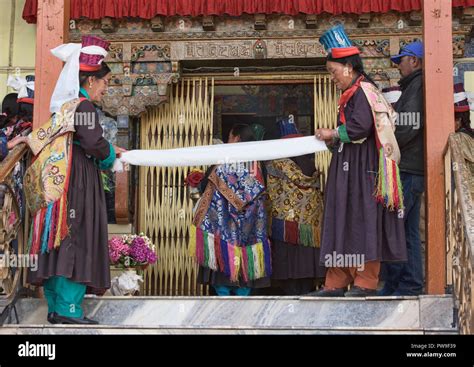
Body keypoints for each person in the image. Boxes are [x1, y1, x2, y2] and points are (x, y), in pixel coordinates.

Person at [26, 35, 126, 324]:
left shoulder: (65, 107)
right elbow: (94, 144)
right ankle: (71, 309)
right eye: (105, 83)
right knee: (76, 237)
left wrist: (105, 147)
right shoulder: (83, 108)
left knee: (59, 241)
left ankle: (57, 307)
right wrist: (111, 155)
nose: (105, 89)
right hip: (78, 182)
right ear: (91, 80)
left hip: (61, 184)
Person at [313, 25, 406, 297]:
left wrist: (332, 133)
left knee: (361, 221)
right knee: (343, 219)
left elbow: (360, 128)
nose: (332, 78)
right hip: (350, 167)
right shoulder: (355, 92)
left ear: (349, 67)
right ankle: (336, 282)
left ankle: (365, 282)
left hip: (363, 170)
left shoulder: (363, 90)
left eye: (333, 72)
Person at [191, 124, 271, 296]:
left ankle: (223, 295)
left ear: (236, 138)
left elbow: (206, 185)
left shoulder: (223, 160)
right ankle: (243, 294)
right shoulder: (258, 162)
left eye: (229, 137)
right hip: (250, 224)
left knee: (223, 258)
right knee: (246, 256)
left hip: (223, 223)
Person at [379, 41, 425, 296]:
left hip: (408, 168)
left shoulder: (417, 87)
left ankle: (400, 283)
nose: (399, 67)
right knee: (407, 230)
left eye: (401, 61)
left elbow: (408, 128)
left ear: (414, 61)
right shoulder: (414, 86)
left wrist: (388, 146)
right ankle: (410, 283)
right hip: (412, 169)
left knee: (397, 228)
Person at [266, 117, 325, 295]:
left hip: (284, 219)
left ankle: (290, 291)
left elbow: (271, 191)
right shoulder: (311, 162)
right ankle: (306, 289)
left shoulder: (275, 162)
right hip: (310, 220)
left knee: (287, 257)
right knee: (305, 255)